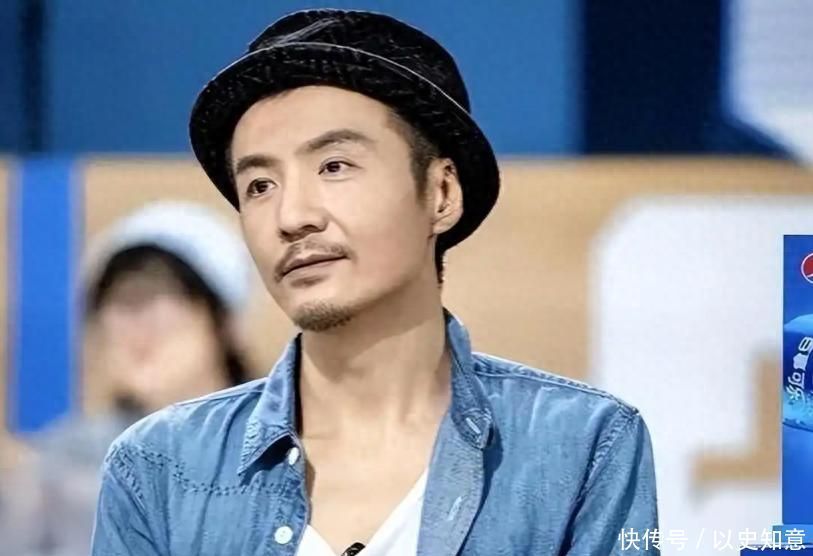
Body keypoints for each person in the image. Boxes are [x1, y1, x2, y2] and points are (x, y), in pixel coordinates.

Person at [92, 10, 658, 555]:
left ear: (441, 193)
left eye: (334, 166)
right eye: (260, 185)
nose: (292, 217)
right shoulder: (157, 469)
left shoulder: (581, 445)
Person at [12, 202, 253, 556]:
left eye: (162, 296)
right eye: (121, 302)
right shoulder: (56, 472)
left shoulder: (280, 452)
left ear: (225, 323)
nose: (138, 328)